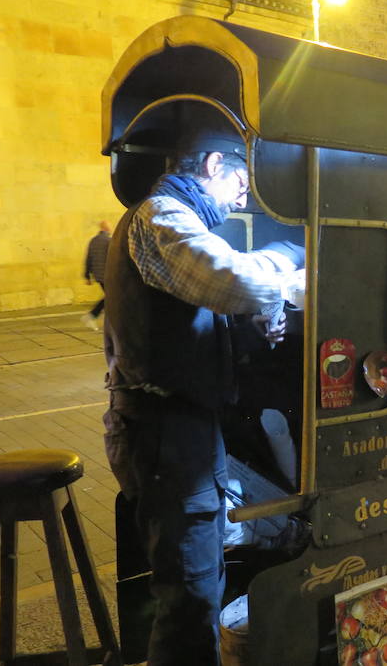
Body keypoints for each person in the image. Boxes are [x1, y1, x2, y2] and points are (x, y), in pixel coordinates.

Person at [102, 119, 306, 666]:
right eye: (242, 180)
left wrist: (249, 326)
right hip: (164, 433)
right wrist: (290, 260)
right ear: (214, 166)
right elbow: (232, 279)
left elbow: (190, 317)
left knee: (200, 584)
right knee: (190, 600)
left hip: (183, 431)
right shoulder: (160, 217)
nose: (245, 193)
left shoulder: (179, 220)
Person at [81, 220, 112, 330]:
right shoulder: (109, 241)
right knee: (111, 297)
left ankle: (108, 321)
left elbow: (88, 259)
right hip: (108, 275)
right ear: (107, 229)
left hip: (98, 275)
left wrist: (87, 276)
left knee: (111, 298)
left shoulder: (93, 241)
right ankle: (91, 315)